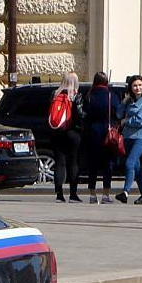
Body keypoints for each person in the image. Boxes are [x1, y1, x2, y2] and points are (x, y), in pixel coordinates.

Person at [82, 71, 121, 203]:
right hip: (107, 133)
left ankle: (93, 195)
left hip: (92, 132)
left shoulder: (88, 95)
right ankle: (106, 195)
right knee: (108, 164)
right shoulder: (111, 96)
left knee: (92, 164)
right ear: (106, 82)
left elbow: (85, 115)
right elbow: (118, 112)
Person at [50, 72, 84, 203]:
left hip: (56, 131)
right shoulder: (76, 95)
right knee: (73, 161)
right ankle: (73, 195)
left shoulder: (55, 94)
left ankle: (59, 195)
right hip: (73, 132)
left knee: (59, 162)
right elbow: (81, 115)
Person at [117, 74, 142, 204]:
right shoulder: (129, 101)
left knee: (129, 163)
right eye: (135, 85)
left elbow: (140, 120)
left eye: (140, 85)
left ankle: (125, 192)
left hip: (141, 137)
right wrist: (123, 103)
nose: (137, 88)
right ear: (131, 87)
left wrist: (126, 121)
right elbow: (118, 114)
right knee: (137, 167)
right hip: (127, 137)